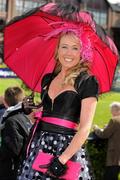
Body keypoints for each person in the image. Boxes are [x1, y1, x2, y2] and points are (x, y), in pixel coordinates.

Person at [18, 29, 99, 180]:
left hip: (67, 150)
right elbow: (40, 116)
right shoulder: (47, 79)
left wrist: (62, 160)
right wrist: (30, 111)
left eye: (75, 48)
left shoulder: (87, 82)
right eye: (64, 46)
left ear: (83, 52)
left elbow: (85, 127)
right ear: (57, 49)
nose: (68, 53)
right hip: (40, 146)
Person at [0, 86, 32, 180]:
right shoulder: (24, 117)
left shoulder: (11, 120)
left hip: (12, 169)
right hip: (22, 165)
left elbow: (13, 149)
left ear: (5, 103)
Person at [93, 102, 120, 180]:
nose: (111, 113)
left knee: (109, 177)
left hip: (115, 157)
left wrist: (96, 128)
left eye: (112, 111)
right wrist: (107, 127)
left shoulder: (114, 120)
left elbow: (104, 134)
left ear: (117, 111)